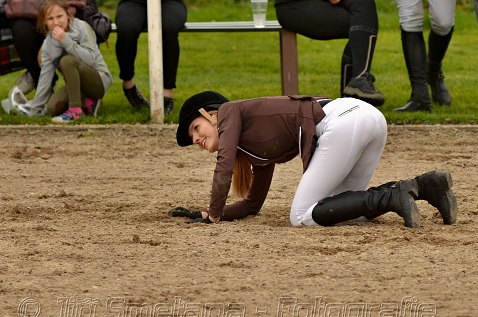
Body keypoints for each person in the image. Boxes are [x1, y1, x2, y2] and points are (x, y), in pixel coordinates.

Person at [171, 91, 457, 228]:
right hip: (364, 119)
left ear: (211, 113)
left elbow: (224, 166)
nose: (195, 139)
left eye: (196, 128)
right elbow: (252, 204)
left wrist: (214, 214)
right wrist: (205, 213)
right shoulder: (253, 146)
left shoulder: (231, 110)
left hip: (344, 121)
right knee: (344, 212)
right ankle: (423, 186)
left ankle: (395, 196)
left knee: (301, 216)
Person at [11, 0, 112, 122]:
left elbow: (90, 60)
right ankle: (89, 103)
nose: (56, 22)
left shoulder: (82, 28)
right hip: (76, 86)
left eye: (60, 16)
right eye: (50, 19)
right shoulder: (48, 44)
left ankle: (75, 111)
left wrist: (65, 40)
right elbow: (45, 78)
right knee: (52, 109)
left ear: (68, 13)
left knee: (67, 60)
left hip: (98, 81)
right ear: (44, 22)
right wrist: (35, 110)